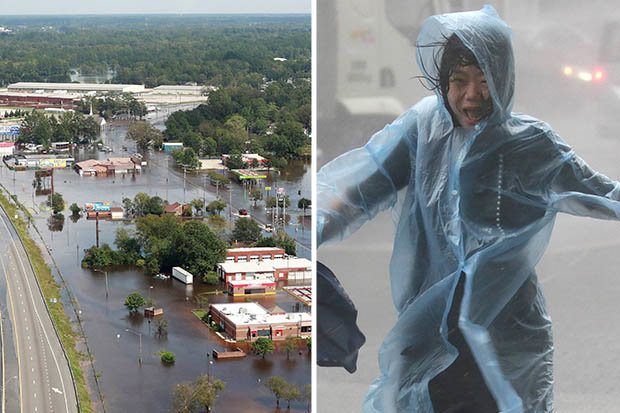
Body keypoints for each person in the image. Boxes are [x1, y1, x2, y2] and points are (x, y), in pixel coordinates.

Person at [317, 6, 620, 413]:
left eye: (484, 80)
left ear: (503, 79)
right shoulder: (424, 130)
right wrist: (307, 232)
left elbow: (604, 195)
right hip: (434, 332)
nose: (472, 94)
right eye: (459, 81)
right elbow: (360, 193)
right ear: (443, 84)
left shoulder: (530, 144)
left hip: (507, 336)